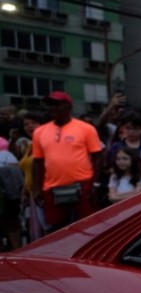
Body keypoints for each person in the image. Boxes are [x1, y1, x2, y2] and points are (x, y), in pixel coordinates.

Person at [31, 91, 104, 232]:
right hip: (53, 188)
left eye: (57, 104)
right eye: (50, 104)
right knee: (57, 230)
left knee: (88, 228)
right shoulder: (39, 132)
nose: (53, 108)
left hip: (83, 185)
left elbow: (97, 157)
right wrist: (36, 188)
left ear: (68, 106)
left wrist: (96, 184)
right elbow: (37, 162)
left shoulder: (86, 129)